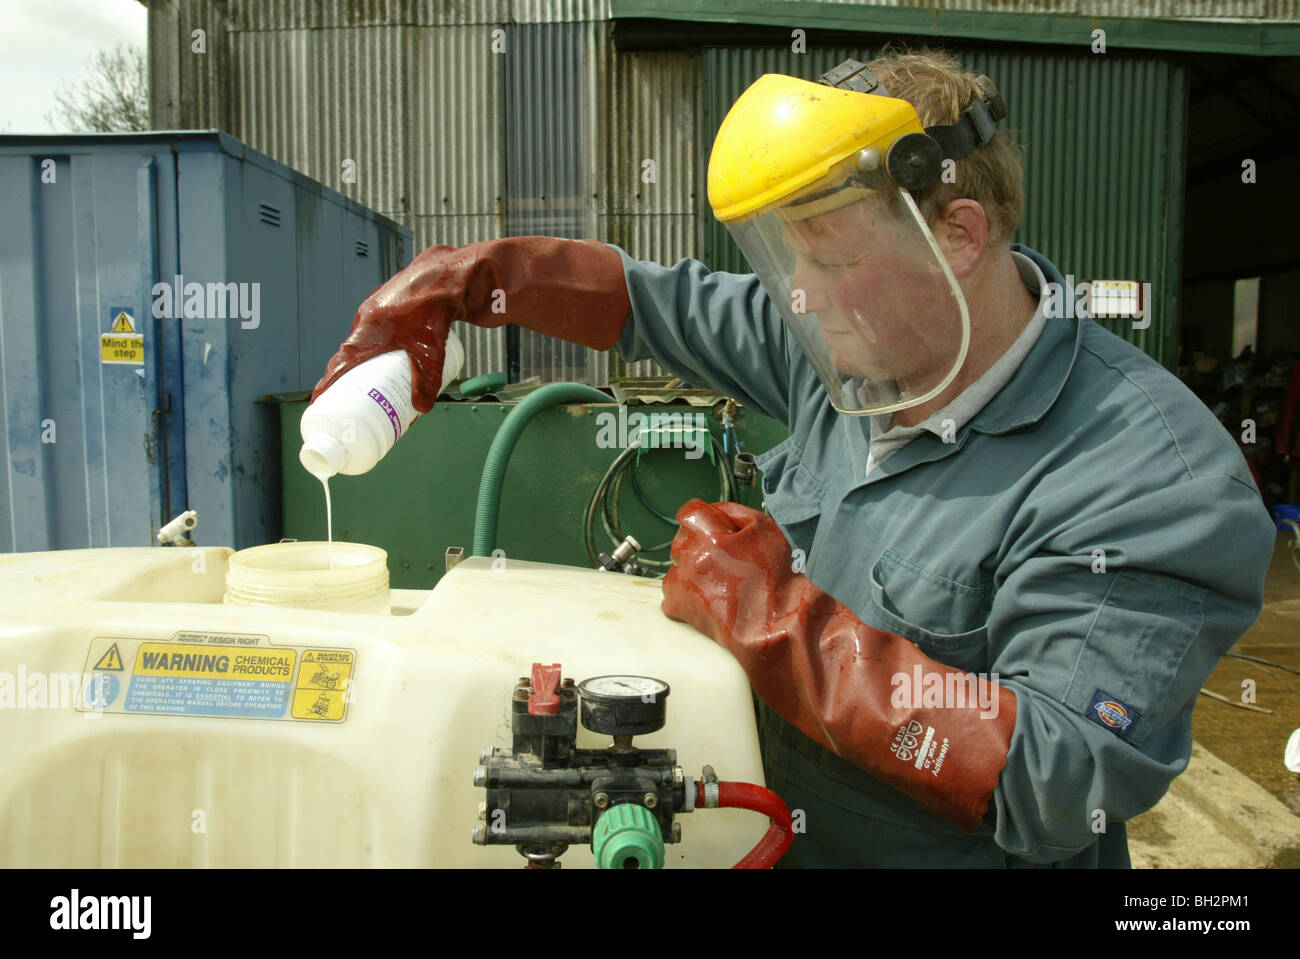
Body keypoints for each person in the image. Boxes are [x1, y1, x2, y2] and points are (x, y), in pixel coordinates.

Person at [311, 49, 1276, 867]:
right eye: (790, 261)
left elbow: (1058, 777)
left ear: (960, 237)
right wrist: (476, 282)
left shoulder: (1154, 479)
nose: (799, 298)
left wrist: (782, 629)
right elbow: (649, 301)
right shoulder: (846, 345)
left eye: (833, 260)